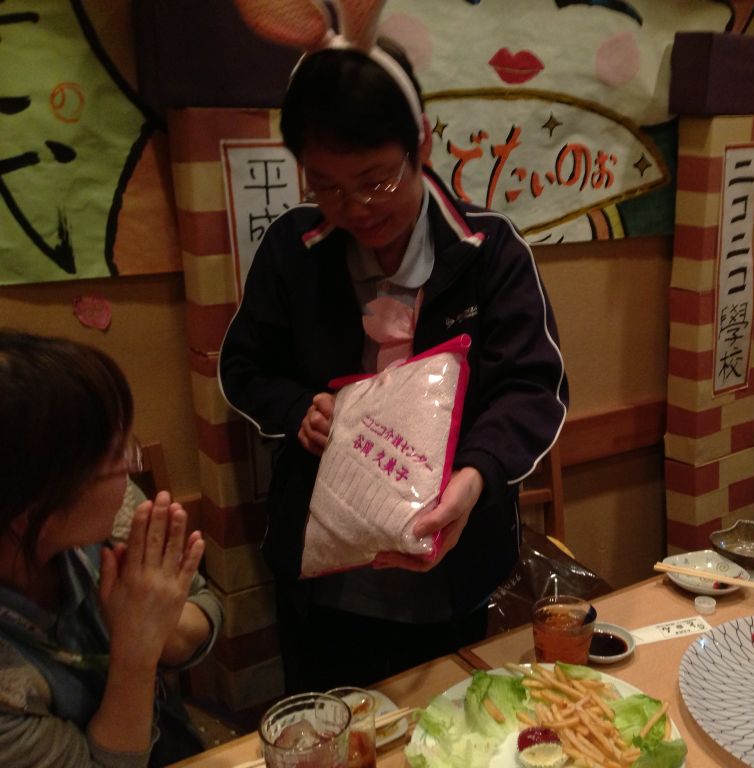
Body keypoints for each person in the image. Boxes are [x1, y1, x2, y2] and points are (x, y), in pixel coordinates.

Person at [218, 39, 568, 691]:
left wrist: (475, 476)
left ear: (422, 144)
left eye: (376, 180)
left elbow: (531, 389)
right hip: (323, 576)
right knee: (332, 725)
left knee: (446, 724)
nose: (355, 207)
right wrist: (297, 409)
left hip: (449, 566)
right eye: (327, 185)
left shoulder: (488, 251)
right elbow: (245, 367)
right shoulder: (294, 251)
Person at [0, 330, 222, 767]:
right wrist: (136, 651)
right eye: (114, 456)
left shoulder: (109, 521)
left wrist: (159, 624)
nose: (130, 465)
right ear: (30, 509)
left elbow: (204, 604)